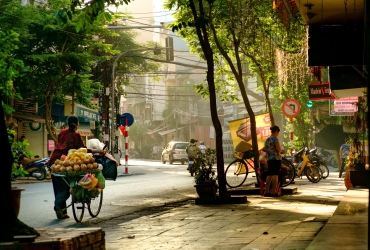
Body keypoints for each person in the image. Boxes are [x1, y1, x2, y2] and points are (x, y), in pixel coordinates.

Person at [49, 116, 106, 219]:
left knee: (58, 188)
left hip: (55, 162)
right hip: (67, 161)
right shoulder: (76, 135)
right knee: (66, 188)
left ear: (68, 123)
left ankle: (62, 212)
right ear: (77, 124)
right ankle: (58, 207)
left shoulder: (62, 133)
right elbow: (83, 150)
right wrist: (99, 151)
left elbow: (60, 146)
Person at [263, 125, 285, 197]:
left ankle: (266, 191)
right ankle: (274, 191)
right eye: (278, 132)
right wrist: (282, 151)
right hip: (276, 159)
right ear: (276, 132)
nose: (278, 134)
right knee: (275, 175)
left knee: (269, 174)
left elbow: (265, 149)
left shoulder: (267, 140)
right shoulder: (275, 139)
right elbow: (278, 149)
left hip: (269, 159)